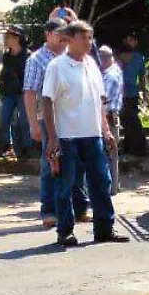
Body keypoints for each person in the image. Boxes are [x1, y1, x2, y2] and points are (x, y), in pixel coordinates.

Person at [41, 22, 127, 246]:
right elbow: (47, 101)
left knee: (101, 181)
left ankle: (104, 229)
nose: (88, 43)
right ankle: (65, 231)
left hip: (93, 135)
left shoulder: (91, 64)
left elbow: (99, 101)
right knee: (65, 185)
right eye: (83, 38)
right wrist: (52, 137)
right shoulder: (57, 66)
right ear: (69, 39)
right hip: (67, 137)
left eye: (90, 38)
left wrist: (106, 131)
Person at [25, 19, 88, 227]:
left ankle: (79, 209)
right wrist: (33, 124)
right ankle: (49, 211)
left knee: (78, 163)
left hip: (73, 118)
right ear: (47, 35)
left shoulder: (72, 56)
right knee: (50, 165)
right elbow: (30, 92)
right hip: (48, 120)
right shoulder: (37, 59)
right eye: (59, 35)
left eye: (65, 35)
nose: (63, 39)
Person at [0, 26, 30, 159]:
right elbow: (5, 71)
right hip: (8, 93)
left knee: (23, 120)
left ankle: (27, 147)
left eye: (9, 37)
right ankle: (7, 147)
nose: (5, 39)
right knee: (4, 119)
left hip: (22, 92)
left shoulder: (27, 56)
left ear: (17, 39)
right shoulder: (7, 56)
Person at [99, 43, 125, 194]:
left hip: (108, 117)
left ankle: (109, 188)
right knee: (112, 154)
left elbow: (104, 101)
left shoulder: (110, 76)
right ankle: (113, 186)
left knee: (107, 154)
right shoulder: (115, 70)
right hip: (111, 116)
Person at [118, 34, 149, 156]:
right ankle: (128, 146)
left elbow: (142, 76)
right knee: (126, 121)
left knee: (133, 120)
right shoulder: (116, 59)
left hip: (132, 94)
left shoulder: (138, 58)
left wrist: (145, 92)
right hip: (119, 95)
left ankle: (140, 148)